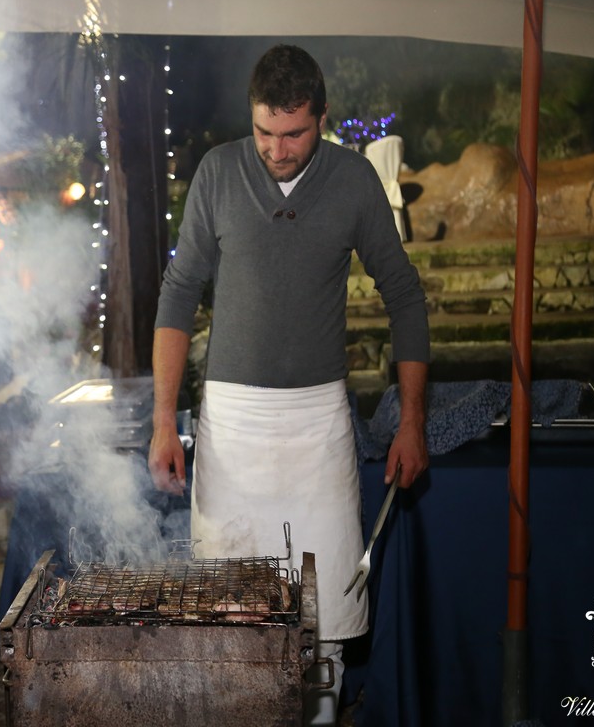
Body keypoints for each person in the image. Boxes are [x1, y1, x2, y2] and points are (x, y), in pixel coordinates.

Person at [147, 44, 429, 725]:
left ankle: (324, 717)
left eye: (294, 133)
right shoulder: (217, 173)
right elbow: (180, 293)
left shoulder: (355, 180)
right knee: (230, 599)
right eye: (265, 132)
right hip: (232, 424)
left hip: (317, 422)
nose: (276, 149)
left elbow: (406, 296)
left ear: (323, 118)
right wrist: (164, 420)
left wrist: (414, 420)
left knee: (324, 601)